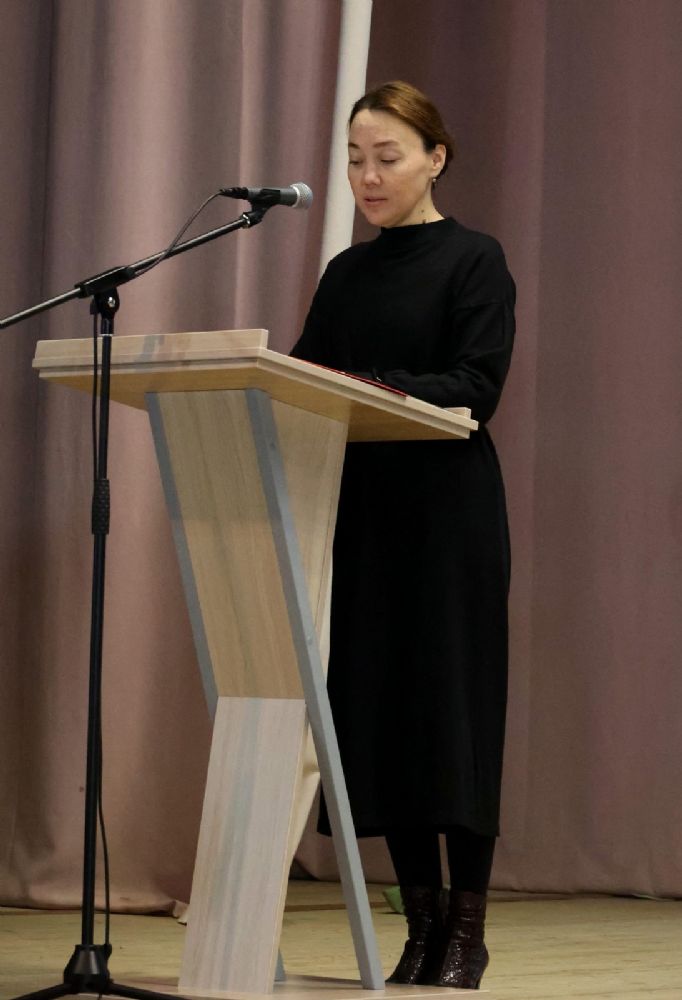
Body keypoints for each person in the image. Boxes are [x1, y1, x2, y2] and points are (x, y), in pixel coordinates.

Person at [290, 81, 515, 991]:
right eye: (355, 159)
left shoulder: (475, 259)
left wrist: (373, 384)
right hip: (367, 512)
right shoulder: (347, 274)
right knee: (385, 716)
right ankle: (420, 925)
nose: (368, 176)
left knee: (452, 714)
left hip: (450, 516)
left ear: (435, 158)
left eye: (387, 157)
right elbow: (302, 376)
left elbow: (476, 383)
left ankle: (467, 931)